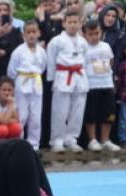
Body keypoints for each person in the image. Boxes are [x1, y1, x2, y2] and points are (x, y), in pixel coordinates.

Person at [46, 9, 87, 152]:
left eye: (76, 22)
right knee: (60, 111)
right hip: (63, 76)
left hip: (80, 76)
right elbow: (50, 61)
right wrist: (51, 79)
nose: (73, 25)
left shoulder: (83, 41)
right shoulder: (56, 41)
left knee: (77, 111)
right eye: (70, 22)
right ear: (64, 23)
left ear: (80, 23)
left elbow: (85, 61)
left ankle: (71, 138)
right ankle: (57, 139)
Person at [8, 20, 45, 150]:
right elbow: (11, 71)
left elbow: (43, 67)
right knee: (21, 114)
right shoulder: (18, 51)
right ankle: (19, 142)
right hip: (22, 82)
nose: (31, 35)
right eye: (28, 32)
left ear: (38, 33)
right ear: (23, 34)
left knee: (35, 116)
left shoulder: (41, 51)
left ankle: (34, 144)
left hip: (36, 82)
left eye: (34, 32)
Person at [82, 18, 119, 151]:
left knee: (108, 113)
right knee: (91, 113)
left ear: (101, 32)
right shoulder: (83, 48)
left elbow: (111, 61)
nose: (94, 37)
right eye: (90, 34)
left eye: (96, 33)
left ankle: (105, 140)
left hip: (106, 83)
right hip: (91, 84)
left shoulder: (106, 46)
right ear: (85, 34)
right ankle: (92, 140)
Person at [0, 0, 22, 88]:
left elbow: (20, 49)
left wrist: (5, 52)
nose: (2, 12)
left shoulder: (16, 31)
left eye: (5, 10)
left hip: (11, 69)